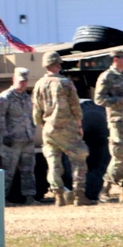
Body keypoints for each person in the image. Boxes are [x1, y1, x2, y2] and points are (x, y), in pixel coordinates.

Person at [32, 51, 93, 207]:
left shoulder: (39, 84)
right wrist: (79, 125)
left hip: (49, 128)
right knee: (79, 158)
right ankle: (79, 195)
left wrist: (43, 125)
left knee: (53, 163)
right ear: (58, 65)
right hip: (67, 127)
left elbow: (36, 110)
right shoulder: (65, 83)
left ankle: (58, 196)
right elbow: (75, 106)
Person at [93, 48, 123, 203]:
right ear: (116, 59)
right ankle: (105, 189)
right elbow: (99, 99)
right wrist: (119, 101)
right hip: (117, 121)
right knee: (119, 156)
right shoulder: (107, 76)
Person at [0, 67, 37, 205]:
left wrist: (32, 129)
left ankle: (30, 198)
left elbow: (30, 116)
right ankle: (2, 199)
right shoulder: (5, 97)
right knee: (7, 172)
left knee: (28, 170)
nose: (23, 84)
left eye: (24, 81)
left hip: (27, 139)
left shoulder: (26, 97)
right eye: (20, 81)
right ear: (14, 80)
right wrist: (4, 135)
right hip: (11, 141)